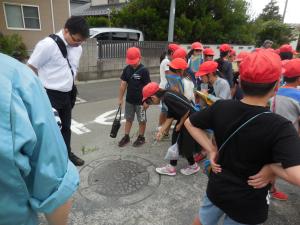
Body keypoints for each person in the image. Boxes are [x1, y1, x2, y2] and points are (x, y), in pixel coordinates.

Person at [185, 49, 300, 225]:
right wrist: (273, 169)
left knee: (202, 220)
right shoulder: (281, 127)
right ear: (277, 85)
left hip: (218, 187)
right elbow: (296, 175)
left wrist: (211, 148)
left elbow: (190, 123)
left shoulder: (221, 107)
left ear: (240, 82)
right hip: (249, 201)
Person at [0, 53, 79, 225]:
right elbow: (54, 183)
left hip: (63, 99)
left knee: (65, 129)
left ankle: (69, 153)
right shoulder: (15, 77)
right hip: (48, 100)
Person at [27, 16, 89, 166]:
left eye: (82, 41)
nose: (79, 44)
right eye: (77, 40)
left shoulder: (78, 48)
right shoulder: (47, 45)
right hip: (49, 95)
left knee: (66, 128)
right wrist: (37, 92)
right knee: (50, 131)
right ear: (66, 30)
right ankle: (51, 162)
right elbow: (30, 67)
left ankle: (66, 155)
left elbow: (72, 68)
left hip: (67, 94)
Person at [142, 82, 200, 176]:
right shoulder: (167, 95)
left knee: (182, 143)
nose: (150, 104)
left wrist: (180, 124)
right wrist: (161, 131)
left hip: (189, 120)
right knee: (176, 141)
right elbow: (171, 116)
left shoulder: (167, 98)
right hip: (187, 119)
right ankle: (178, 166)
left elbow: (186, 110)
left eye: (148, 102)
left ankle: (188, 166)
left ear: (153, 97)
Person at [118, 47, 151, 147]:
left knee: (142, 120)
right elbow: (123, 84)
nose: (132, 64)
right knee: (128, 119)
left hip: (141, 101)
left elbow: (148, 87)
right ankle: (126, 136)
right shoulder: (127, 69)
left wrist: (147, 101)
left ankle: (141, 137)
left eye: (134, 61)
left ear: (139, 58)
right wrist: (120, 98)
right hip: (129, 100)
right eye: (130, 61)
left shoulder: (144, 71)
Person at [158, 43, 180, 131]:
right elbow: (169, 75)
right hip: (165, 88)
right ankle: (161, 127)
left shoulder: (167, 60)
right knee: (165, 110)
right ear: (171, 53)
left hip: (165, 87)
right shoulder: (166, 61)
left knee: (165, 109)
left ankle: (161, 127)